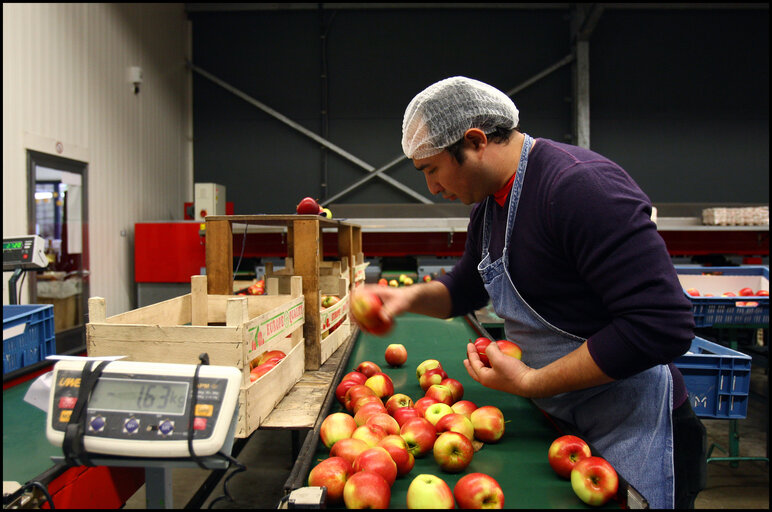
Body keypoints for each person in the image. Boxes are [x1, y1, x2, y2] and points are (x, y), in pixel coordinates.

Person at [353, 76, 706, 508]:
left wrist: (534, 381)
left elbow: (662, 325)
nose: (432, 189)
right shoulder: (489, 205)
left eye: (431, 170)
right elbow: (466, 288)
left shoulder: (578, 187)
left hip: (632, 426)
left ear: (475, 141)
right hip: (563, 424)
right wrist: (406, 298)